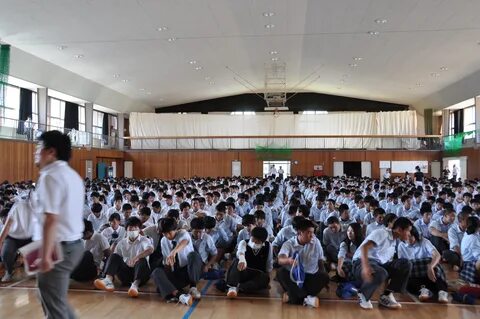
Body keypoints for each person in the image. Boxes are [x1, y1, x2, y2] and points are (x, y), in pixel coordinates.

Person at [34, 130, 85, 319]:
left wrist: (46, 255)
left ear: (51, 152)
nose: (35, 152)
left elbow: (51, 219)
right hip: (73, 244)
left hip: (58, 248)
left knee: (54, 309)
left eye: (39, 148)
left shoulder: (50, 176)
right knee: (53, 299)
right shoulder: (73, 176)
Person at [352, 217, 413, 310]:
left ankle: (386, 295)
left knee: (405, 264)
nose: (409, 234)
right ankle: (363, 294)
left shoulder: (394, 241)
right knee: (381, 272)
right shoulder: (382, 233)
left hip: (378, 264)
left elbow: (385, 264)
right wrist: (365, 267)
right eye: (408, 231)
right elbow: (364, 247)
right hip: (361, 263)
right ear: (400, 230)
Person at [94, 217, 153, 297]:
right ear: (126, 230)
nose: (133, 230)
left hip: (141, 275)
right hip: (126, 275)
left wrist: (136, 257)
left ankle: (135, 286)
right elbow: (114, 261)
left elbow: (150, 249)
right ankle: (108, 281)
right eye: (130, 228)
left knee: (141, 260)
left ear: (139, 230)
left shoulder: (144, 240)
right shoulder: (121, 243)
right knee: (114, 256)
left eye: (135, 228)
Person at [277, 218, 330, 308]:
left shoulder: (316, 242)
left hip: (310, 277)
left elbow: (320, 260)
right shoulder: (289, 244)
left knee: (324, 276)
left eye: (313, 232)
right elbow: (280, 259)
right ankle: (306, 299)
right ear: (299, 232)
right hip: (294, 278)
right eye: (309, 232)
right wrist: (289, 260)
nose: (312, 235)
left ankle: (292, 296)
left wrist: (323, 279)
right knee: (281, 272)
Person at [398, 226, 449, 303]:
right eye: (406, 236)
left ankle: (442, 292)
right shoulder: (401, 246)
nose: (408, 239)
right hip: (414, 274)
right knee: (405, 277)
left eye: (410, 236)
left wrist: (430, 267)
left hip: (428, 272)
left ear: (415, 235)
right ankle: (423, 290)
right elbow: (402, 263)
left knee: (435, 267)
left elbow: (437, 255)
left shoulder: (424, 241)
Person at [226, 227, 272, 297]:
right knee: (236, 261)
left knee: (265, 279)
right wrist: (242, 259)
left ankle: (240, 286)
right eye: (253, 239)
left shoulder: (268, 246)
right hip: (244, 271)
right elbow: (240, 252)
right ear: (251, 236)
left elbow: (269, 263)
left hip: (257, 274)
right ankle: (232, 287)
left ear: (263, 241)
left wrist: (267, 278)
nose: (254, 242)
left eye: (257, 241)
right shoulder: (244, 242)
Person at [0, 198, 34, 282]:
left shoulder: (44, 208)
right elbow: (7, 226)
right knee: (6, 253)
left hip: (30, 237)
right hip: (13, 236)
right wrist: (0, 242)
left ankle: (33, 270)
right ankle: (9, 272)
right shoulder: (19, 206)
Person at [459, 216, 480, 284]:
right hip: (469, 263)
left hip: (469, 259)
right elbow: (478, 255)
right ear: (477, 227)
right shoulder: (473, 238)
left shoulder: (468, 232)